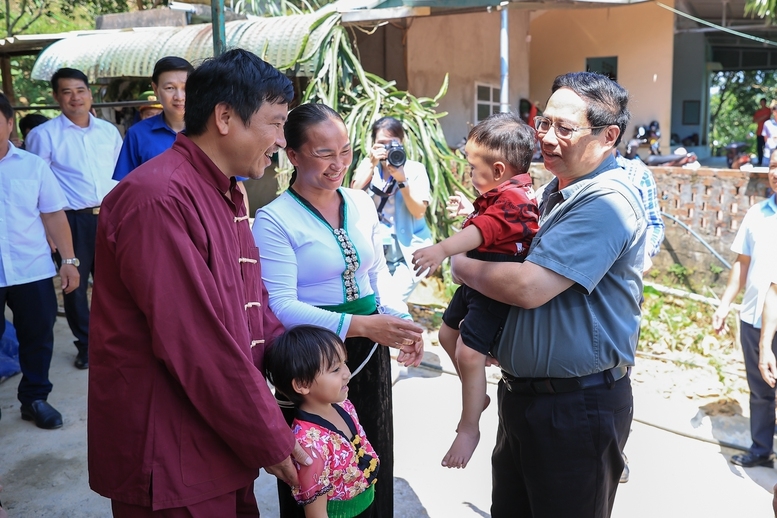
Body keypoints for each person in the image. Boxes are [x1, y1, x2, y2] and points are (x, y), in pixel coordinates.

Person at [87, 49, 312, 516]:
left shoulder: (225, 190)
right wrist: (270, 436)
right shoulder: (158, 198)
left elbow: (252, 305)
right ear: (225, 117)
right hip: (169, 444)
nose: (279, 139)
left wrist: (313, 368)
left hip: (220, 429)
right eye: (274, 123)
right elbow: (193, 339)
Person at [451, 72, 646, 517]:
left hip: (576, 407)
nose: (548, 138)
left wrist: (459, 264)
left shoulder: (606, 202)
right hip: (526, 399)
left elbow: (528, 287)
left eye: (565, 128)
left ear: (608, 135)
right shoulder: (549, 193)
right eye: (544, 124)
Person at [252, 103, 424, 518]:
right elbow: (280, 305)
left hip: (368, 348)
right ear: (292, 155)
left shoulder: (360, 202)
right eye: (324, 153)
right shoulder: (273, 219)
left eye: (345, 151)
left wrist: (399, 323)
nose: (338, 164)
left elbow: (376, 273)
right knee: (315, 467)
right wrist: (361, 324)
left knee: (369, 453)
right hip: (311, 362)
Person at [411, 113, 540, 469]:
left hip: (492, 289)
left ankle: (469, 427)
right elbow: (492, 225)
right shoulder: (505, 193)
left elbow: (484, 231)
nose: (468, 173)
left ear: (498, 169)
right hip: (475, 282)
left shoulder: (517, 198)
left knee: (469, 354)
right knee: (447, 334)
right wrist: (470, 210)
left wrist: (441, 249)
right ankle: (477, 394)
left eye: (471, 166)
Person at [25, 67, 122, 370]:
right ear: (56, 97)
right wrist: (48, 232)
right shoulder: (44, 136)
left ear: (90, 93)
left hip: (110, 216)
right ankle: (87, 345)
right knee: (75, 286)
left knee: (116, 283)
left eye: (80, 90)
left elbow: (123, 176)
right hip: (71, 221)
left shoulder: (108, 131)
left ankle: (116, 342)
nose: (75, 97)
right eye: (67, 92)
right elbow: (36, 186)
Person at [0, 93, 79, 430]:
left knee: (38, 335)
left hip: (30, 268)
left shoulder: (33, 166)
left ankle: (34, 397)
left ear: (8, 122)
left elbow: (53, 215)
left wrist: (69, 260)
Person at [265, 325, 380, 518]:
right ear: (302, 384)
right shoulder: (310, 444)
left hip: (367, 503)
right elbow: (316, 514)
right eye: (335, 369)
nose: (346, 373)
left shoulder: (343, 405)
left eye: (344, 362)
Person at [713, 155, 777, 468]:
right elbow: (742, 264)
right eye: (774, 166)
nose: (776, 173)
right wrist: (725, 304)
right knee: (760, 390)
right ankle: (762, 449)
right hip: (753, 316)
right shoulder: (757, 213)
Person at [350, 117, 433, 301]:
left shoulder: (415, 169)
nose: (387, 149)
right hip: (375, 246)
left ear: (401, 143)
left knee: (392, 303)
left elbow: (418, 211)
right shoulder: (369, 166)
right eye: (381, 143)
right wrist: (371, 164)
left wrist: (402, 180)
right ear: (372, 144)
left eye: (392, 143)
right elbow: (353, 195)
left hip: (408, 249)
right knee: (377, 302)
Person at [113, 57, 193, 181]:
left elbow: (232, 183)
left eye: (186, 88)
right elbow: (127, 186)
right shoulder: (137, 134)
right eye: (170, 88)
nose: (179, 97)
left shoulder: (212, 131)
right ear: (156, 89)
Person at [754, 98, 771, 166]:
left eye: (763, 102)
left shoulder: (768, 110)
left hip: (767, 133)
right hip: (759, 132)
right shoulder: (758, 111)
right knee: (759, 148)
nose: (762, 104)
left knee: (769, 147)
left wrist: (760, 118)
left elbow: (767, 117)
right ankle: (760, 161)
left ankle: (770, 161)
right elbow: (754, 120)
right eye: (761, 102)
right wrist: (762, 117)